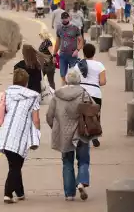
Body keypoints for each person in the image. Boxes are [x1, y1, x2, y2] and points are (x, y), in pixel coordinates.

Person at [46, 68, 94, 201]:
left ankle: (69, 194)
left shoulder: (57, 95)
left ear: (66, 80)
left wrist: (55, 127)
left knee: (67, 162)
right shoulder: (84, 93)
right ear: (79, 80)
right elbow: (93, 110)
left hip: (64, 133)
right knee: (83, 160)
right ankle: (81, 182)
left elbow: (49, 115)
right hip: (81, 132)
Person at [0, 69, 41, 204]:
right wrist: (37, 133)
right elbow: (36, 119)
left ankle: (20, 192)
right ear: (26, 82)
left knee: (14, 164)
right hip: (20, 134)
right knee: (16, 166)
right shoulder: (33, 96)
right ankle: (8, 194)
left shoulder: (4, 94)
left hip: (4, 133)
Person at [74, 43, 106, 147]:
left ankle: (81, 135)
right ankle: (95, 135)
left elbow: (74, 80)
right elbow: (102, 82)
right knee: (95, 115)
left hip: (81, 92)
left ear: (84, 53)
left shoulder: (78, 65)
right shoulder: (99, 65)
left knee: (81, 115)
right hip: (95, 93)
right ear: (94, 53)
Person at [53, 11, 84, 85]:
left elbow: (81, 41)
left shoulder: (75, 28)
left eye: (66, 18)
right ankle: (65, 89)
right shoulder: (59, 28)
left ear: (69, 18)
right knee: (62, 75)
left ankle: (72, 89)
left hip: (72, 55)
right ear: (61, 19)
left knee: (73, 75)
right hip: (62, 55)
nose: (64, 20)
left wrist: (77, 50)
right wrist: (54, 54)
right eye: (63, 18)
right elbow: (57, 42)